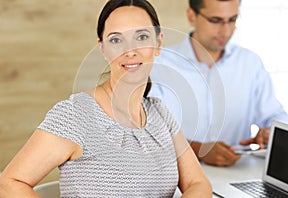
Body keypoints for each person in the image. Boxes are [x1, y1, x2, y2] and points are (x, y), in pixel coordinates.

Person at [0, 0, 212, 197]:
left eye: (141, 37)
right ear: (103, 49)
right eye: (117, 40)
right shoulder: (75, 116)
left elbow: (198, 184)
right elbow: (10, 183)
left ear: (158, 44)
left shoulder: (160, 113)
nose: (130, 51)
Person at [149, 0, 288, 166]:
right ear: (191, 16)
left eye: (232, 20)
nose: (225, 31)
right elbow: (146, 132)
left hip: (236, 178)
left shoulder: (250, 63)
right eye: (215, 20)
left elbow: (278, 118)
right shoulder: (159, 65)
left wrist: (270, 133)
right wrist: (197, 149)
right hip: (177, 180)